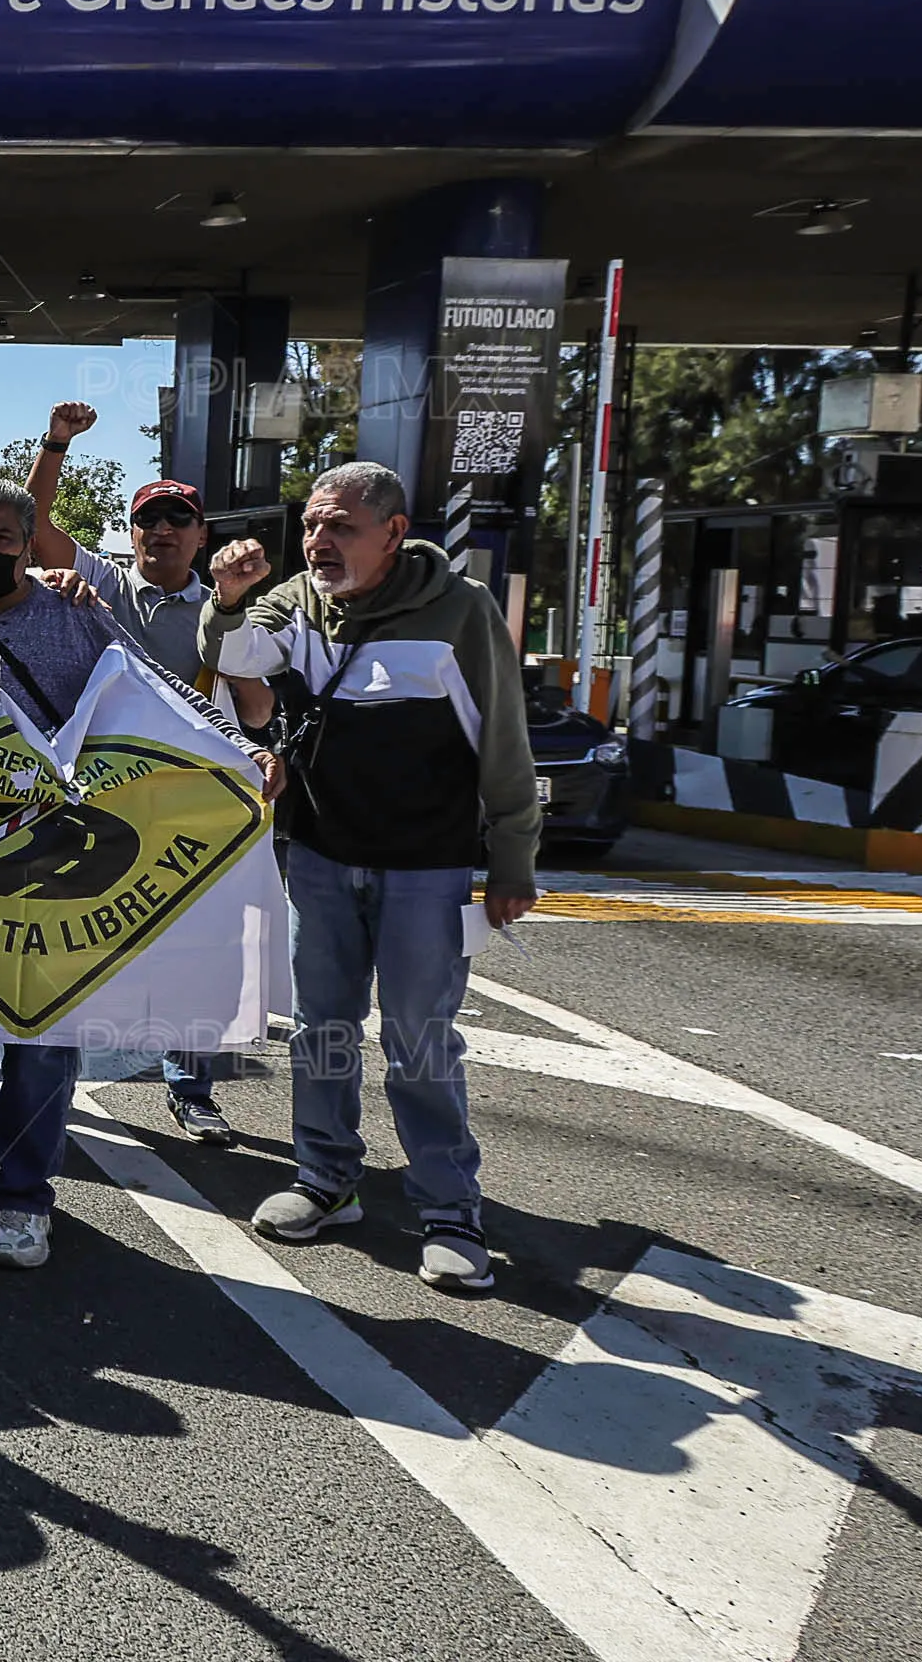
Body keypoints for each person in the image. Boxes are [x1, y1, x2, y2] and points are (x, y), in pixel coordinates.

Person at [0, 479, 274, 1270]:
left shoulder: (74, 614)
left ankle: (23, 1197)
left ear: (27, 545)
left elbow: (160, 687)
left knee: (43, 1036)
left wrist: (237, 751)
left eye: (2, 539)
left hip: (61, 860)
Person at [201, 460, 540, 1295]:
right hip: (318, 857)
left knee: (420, 1042)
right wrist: (231, 595)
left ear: (391, 533)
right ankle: (325, 1179)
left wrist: (511, 858)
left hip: (424, 867)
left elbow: (500, 737)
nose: (318, 542)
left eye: (340, 527)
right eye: (312, 526)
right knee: (321, 1029)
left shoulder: (458, 612)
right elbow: (234, 654)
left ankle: (448, 1211)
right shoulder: (296, 604)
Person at [23, 401, 238, 1145]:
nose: (163, 532)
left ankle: (192, 1087)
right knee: (80, 935)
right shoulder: (100, 586)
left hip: (186, 802)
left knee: (195, 948)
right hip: (99, 800)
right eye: (150, 520)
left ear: (200, 536)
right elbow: (31, 518)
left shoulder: (225, 614)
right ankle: (56, 1079)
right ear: (132, 531)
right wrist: (56, 444)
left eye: (179, 520)